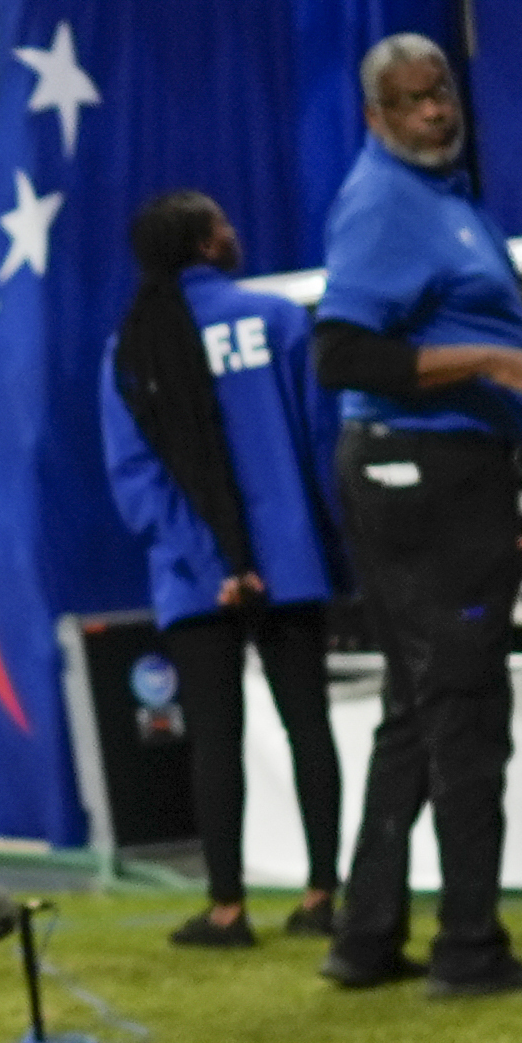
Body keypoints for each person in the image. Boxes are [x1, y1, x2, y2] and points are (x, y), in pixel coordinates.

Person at [309, 33, 522, 998]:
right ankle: (470, 947)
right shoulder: (380, 202)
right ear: (375, 118)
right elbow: (342, 355)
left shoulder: (443, 199)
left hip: (442, 468)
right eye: (409, 101)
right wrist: (497, 364)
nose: (434, 112)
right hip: (423, 474)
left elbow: (470, 328)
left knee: (419, 706)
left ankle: (365, 938)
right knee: (466, 706)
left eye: (440, 92)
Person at [100, 191, 346, 948]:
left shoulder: (128, 347)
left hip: (192, 576)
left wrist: (214, 563)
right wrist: (303, 550)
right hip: (290, 565)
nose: (236, 230)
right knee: (309, 725)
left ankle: (227, 909)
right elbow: (320, 443)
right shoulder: (276, 321)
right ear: (207, 243)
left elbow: (134, 477)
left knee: (214, 738)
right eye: (225, 223)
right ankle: (320, 898)